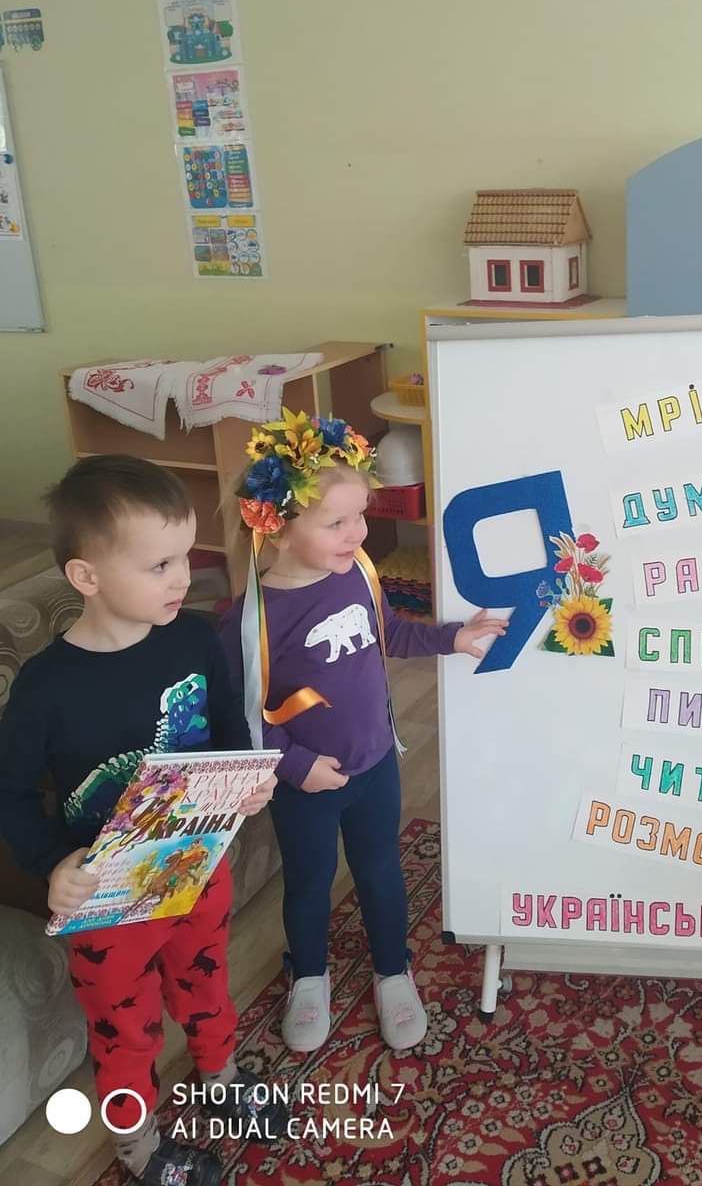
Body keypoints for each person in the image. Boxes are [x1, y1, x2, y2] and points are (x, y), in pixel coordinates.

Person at [0, 456, 282, 1186]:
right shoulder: (44, 689)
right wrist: (51, 865)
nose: (183, 577)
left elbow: (227, 725)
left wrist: (245, 778)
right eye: (159, 564)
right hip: (108, 905)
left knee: (207, 987)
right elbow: (9, 793)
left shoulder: (194, 638)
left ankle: (221, 1080)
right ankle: (141, 1149)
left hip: (197, 868)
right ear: (86, 576)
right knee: (125, 1034)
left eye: (184, 555)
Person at [219, 409, 505, 1054]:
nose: (359, 533)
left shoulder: (358, 574)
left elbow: (390, 633)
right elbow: (242, 718)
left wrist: (452, 638)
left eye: (361, 516)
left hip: (375, 763)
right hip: (306, 784)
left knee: (380, 870)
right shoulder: (249, 620)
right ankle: (309, 975)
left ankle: (392, 970)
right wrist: (297, 768)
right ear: (278, 527)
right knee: (309, 880)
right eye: (338, 523)